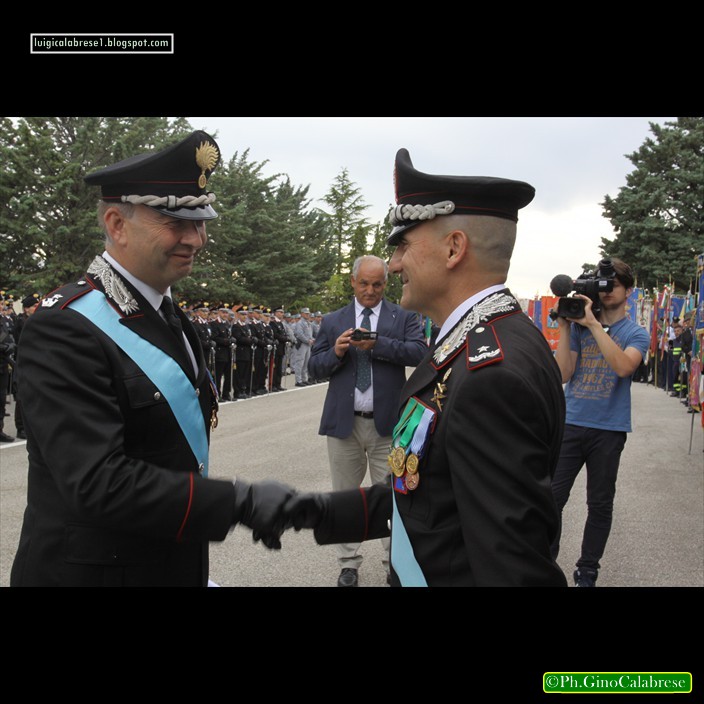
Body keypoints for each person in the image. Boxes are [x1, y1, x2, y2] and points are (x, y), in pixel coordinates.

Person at [10, 131, 294, 587]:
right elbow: (98, 482)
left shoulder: (167, 314)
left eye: (200, 222)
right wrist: (239, 501)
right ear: (117, 224)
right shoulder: (64, 326)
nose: (196, 239)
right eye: (176, 221)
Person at [283, 148, 567, 587]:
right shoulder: (481, 341)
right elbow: (429, 498)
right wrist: (305, 511)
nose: (395, 264)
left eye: (404, 246)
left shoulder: (491, 375)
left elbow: (513, 568)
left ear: (454, 249)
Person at [308, 255, 426, 587]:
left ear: (385, 283)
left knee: (393, 496)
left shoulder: (403, 316)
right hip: (344, 425)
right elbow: (314, 367)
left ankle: (395, 562)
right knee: (345, 497)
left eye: (377, 284)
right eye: (364, 283)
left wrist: (378, 344)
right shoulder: (334, 320)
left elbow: (420, 353)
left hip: (387, 425)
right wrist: (336, 352)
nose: (370, 291)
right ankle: (348, 563)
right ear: (352, 281)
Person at [549, 257, 650, 587]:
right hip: (572, 422)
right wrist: (566, 326)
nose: (606, 291)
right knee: (551, 498)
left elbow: (623, 367)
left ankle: (587, 570)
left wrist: (594, 324)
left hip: (609, 429)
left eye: (614, 285)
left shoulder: (636, 333)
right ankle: (545, 562)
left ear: (629, 291)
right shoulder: (580, 327)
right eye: (602, 285)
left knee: (600, 504)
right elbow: (563, 374)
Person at [12, 293, 40, 440]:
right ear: (26, 308)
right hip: (23, 361)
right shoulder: (20, 322)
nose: (37, 307)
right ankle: (21, 427)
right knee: (21, 396)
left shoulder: (35, 321)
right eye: (34, 306)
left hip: (35, 361)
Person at [0, 296, 16, 442]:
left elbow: (9, 336)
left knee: (1, 399)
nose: (2, 306)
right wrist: (3, 346)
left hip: (3, 364)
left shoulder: (3, 319)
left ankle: (0, 430)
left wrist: (10, 345)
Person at [291, 307, 315, 387]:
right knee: (300, 362)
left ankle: (304, 379)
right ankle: (298, 380)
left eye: (308, 313)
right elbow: (300, 334)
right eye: (306, 313)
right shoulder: (300, 323)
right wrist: (308, 340)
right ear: (302, 314)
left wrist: (312, 339)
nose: (308, 315)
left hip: (308, 345)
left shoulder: (308, 323)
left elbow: (310, 334)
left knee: (306, 363)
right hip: (302, 344)